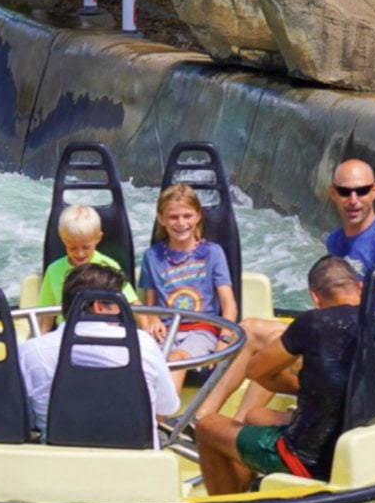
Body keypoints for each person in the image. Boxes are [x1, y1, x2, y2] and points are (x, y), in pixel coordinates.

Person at [194, 255, 366, 495]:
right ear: (361, 287)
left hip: (309, 460)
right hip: (358, 444)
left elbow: (255, 370)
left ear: (315, 298)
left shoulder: (312, 323)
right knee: (255, 416)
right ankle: (243, 490)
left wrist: (298, 385)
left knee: (207, 427)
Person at [19, 262, 179, 444]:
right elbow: (165, 409)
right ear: (99, 307)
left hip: (59, 457)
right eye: (120, 303)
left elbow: (23, 418)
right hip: (136, 456)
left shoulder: (29, 352)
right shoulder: (143, 344)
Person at [140, 183, 236, 371]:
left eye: (187, 216)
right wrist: (153, 320)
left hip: (202, 329)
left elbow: (229, 304)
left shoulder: (212, 253)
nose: (181, 223)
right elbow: (150, 304)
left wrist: (224, 339)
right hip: (166, 331)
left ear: (198, 216)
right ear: (161, 219)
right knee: (147, 362)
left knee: (176, 359)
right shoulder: (151, 256)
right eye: (173, 217)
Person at [36, 204, 139, 309]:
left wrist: (146, 319)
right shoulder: (53, 271)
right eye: (72, 247)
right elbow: (45, 313)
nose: (79, 253)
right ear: (63, 240)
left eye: (85, 247)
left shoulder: (109, 267)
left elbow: (133, 304)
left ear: (98, 238)